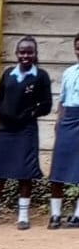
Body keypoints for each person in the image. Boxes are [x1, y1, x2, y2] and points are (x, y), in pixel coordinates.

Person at [0, 36, 52, 230]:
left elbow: (46, 105)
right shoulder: (7, 74)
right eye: (22, 52)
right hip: (5, 129)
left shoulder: (41, 76)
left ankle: (23, 217)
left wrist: (28, 114)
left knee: (25, 173)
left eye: (29, 52)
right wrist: (6, 115)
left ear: (35, 54)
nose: (25, 56)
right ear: (16, 54)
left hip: (26, 130)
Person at [47, 33, 79, 228]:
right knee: (58, 169)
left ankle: (77, 215)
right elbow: (62, 101)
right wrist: (58, 123)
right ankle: (55, 215)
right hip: (68, 119)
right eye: (77, 47)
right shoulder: (68, 72)